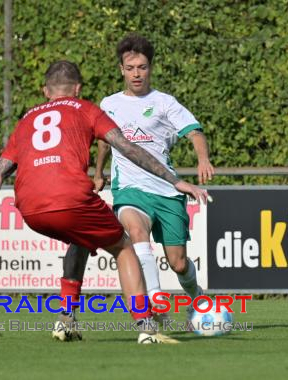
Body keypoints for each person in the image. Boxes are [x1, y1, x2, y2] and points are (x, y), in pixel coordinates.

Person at [0, 60, 210, 344]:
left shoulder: (26, 120)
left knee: (80, 240)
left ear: (46, 91)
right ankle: (147, 326)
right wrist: (174, 180)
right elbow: (128, 148)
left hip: (30, 209)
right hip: (72, 199)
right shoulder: (87, 109)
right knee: (123, 246)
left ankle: (65, 320)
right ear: (78, 89)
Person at [59, 34, 215, 328]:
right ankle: (154, 298)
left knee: (179, 263)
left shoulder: (165, 102)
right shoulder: (109, 103)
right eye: (130, 68)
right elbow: (104, 141)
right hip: (130, 190)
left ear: (150, 68)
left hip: (167, 192)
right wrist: (99, 171)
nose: (136, 74)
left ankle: (198, 298)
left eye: (142, 67)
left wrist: (202, 158)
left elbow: (194, 132)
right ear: (121, 69)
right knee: (134, 230)